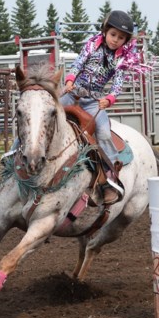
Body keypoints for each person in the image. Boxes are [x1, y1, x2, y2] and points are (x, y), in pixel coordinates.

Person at [62, 10, 148, 204]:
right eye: (113, 34)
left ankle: (110, 179)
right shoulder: (92, 44)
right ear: (105, 31)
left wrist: (109, 98)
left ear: (126, 40)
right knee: (46, 113)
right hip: (72, 92)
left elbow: (118, 83)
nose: (115, 40)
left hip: (93, 101)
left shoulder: (121, 59)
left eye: (121, 37)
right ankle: (17, 151)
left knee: (104, 132)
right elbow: (77, 64)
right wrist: (69, 80)